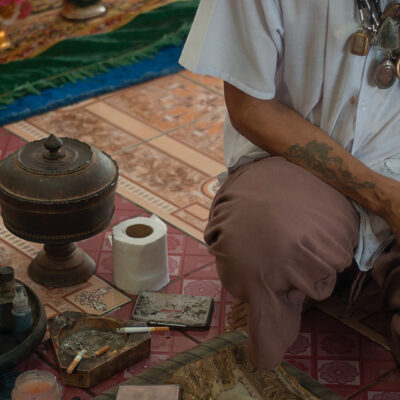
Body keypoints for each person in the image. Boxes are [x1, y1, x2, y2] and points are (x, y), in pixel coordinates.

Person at [179, 0, 400, 371]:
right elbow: (251, 108)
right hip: (303, 172)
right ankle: (307, 276)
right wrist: (384, 197)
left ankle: (357, 277)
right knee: (262, 234)